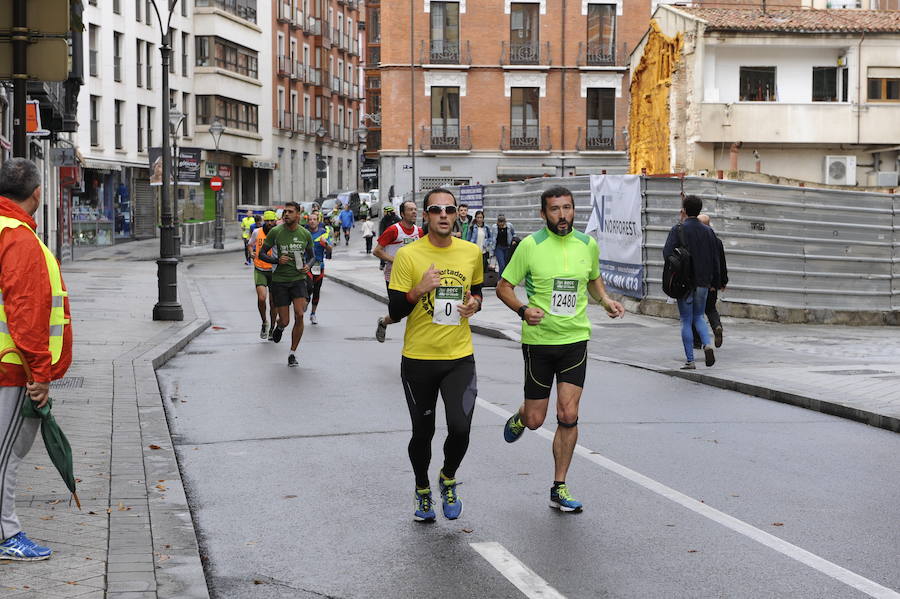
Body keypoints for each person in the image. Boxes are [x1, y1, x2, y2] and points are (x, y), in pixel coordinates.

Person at [496, 186, 625, 513]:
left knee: (568, 414)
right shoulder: (530, 246)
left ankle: (559, 486)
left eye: (567, 208)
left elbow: (594, 280)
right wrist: (523, 310)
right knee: (537, 420)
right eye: (555, 209)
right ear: (544, 214)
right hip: (539, 342)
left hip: (574, 340)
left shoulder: (587, 244)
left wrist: (606, 300)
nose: (562, 215)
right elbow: (503, 287)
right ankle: (523, 415)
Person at [386, 187, 483, 521]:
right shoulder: (408, 256)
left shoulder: (471, 252)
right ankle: (422, 489)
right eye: (436, 209)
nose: (444, 214)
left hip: (459, 357)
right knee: (422, 433)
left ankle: (448, 477)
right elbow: (395, 309)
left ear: (457, 215)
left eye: (450, 209)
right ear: (425, 216)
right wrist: (419, 290)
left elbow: (478, 293)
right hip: (418, 360)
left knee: (461, 428)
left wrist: (475, 305)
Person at [0, 158, 73, 560]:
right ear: (37, 194)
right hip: (12, 368)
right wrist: (40, 375)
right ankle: (5, 535)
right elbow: (26, 313)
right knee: (6, 454)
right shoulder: (18, 238)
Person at [663, 195, 721, 370]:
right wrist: (715, 282)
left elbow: (667, 254)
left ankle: (690, 360)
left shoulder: (678, 229)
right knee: (699, 316)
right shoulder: (708, 231)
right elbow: (715, 258)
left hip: (684, 283)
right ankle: (707, 344)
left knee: (686, 320)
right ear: (699, 210)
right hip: (704, 283)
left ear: (685, 210)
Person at [257, 202, 314, 367]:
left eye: (290, 212)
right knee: (285, 320)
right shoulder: (276, 232)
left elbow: (312, 256)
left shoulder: (305, 234)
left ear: (298, 215)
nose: (286, 214)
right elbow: (261, 254)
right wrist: (276, 260)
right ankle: (280, 328)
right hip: (280, 281)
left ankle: (292, 353)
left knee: (300, 314)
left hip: (298, 279)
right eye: (285, 212)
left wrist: (308, 266)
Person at [373, 200, 424, 342]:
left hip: (414, 277)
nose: (414, 212)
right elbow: (377, 251)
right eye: (410, 210)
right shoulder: (394, 230)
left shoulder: (419, 232)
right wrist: (398, 260)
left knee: (419, 310)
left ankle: (417, 341)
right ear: (402, 213)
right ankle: (383, 322)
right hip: (394, 278)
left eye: (415, 209)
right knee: (396, 315)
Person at [692, 214, 728, 349]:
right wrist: (721, 282)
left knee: (696, 312)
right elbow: (721, 263)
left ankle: (697, 341)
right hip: (712, 284)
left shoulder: (697, 242)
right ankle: (716, 326)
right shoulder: (717, 241)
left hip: (699, 283)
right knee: (711, 309)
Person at [248, 210, 278, 340]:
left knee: (273, 303)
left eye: (272, 221)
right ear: (263, 221)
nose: (270, 223)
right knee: (262, 298)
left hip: (274, 270)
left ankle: (272, 327)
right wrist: (251, 252)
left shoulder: (279, 233)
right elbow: (250, 244)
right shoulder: (257, 232)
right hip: (260, 268)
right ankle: (264, 322)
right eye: (267, 221)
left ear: (276, 221)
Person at [305, 211, 332, 325]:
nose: (312, 221)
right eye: (310, 219)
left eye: (314, 219)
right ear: (308, 221)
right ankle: (306, 301)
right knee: (309, 286)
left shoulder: (323, 234)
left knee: (316, 290)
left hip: (318, 265)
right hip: (306, 265)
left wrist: (325, 244)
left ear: (318, 221)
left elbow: (330, 249)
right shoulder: (304, 233)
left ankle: (313, 314)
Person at [467, 210, 493, 275]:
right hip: (474, 251)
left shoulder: (486, 228)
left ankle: (482, 283)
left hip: (483, 251)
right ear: (475, 218)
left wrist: (487, 242)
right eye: (478, 217)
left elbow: (490, 238)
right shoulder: (472, 228)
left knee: (483, 268)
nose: (479, 219)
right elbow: (468, 239)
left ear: (483, 218)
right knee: (475, 268)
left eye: (481, 217)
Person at [378, 205, 400, 270]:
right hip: (386, 239)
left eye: (385, 212)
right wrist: (381, 238)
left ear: (389, 212)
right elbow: (381, 229)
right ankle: (382, 263)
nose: (384, 213)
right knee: (382, 251)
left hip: (394, 239)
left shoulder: (396, 219)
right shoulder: (384, 219)